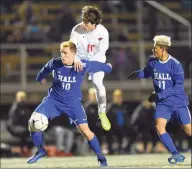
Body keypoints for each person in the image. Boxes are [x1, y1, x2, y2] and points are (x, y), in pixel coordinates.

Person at [27, 41, 112, 167]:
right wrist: (40, 78)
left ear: (74, 54)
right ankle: (41, 150)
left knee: (86, 132)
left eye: (66, 53)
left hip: (73, 103)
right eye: (61, 53)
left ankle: (101, 158)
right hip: (53, 100)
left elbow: (97, 66)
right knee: (33, 122)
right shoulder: (56, 62)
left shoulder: (82, 65)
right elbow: (45, 69)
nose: (63, 56)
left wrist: (108, 68)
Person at [128, 35, 191, 164]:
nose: (152, 50)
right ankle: (176, 154)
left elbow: (178, 87)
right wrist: (138, 74)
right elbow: (147, 72)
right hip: (163, 104)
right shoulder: (152, 61)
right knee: (159, 126)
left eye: (155, 47)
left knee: (189, 131)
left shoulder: (176, 65)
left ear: (163, 48)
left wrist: (159, 95)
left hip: (178, 102)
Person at [70, 5, 111, 131]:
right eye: (82, 21)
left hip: (96, 60)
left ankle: (102, 113)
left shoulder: (103, 32)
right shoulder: (77, 29)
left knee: (98, 83)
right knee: (71, 84)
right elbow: (71, 48)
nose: (83, 24)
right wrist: (76, 59)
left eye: (86, 22)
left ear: (94, 24)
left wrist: (92, 66)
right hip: (80, 59)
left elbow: (101, 53)